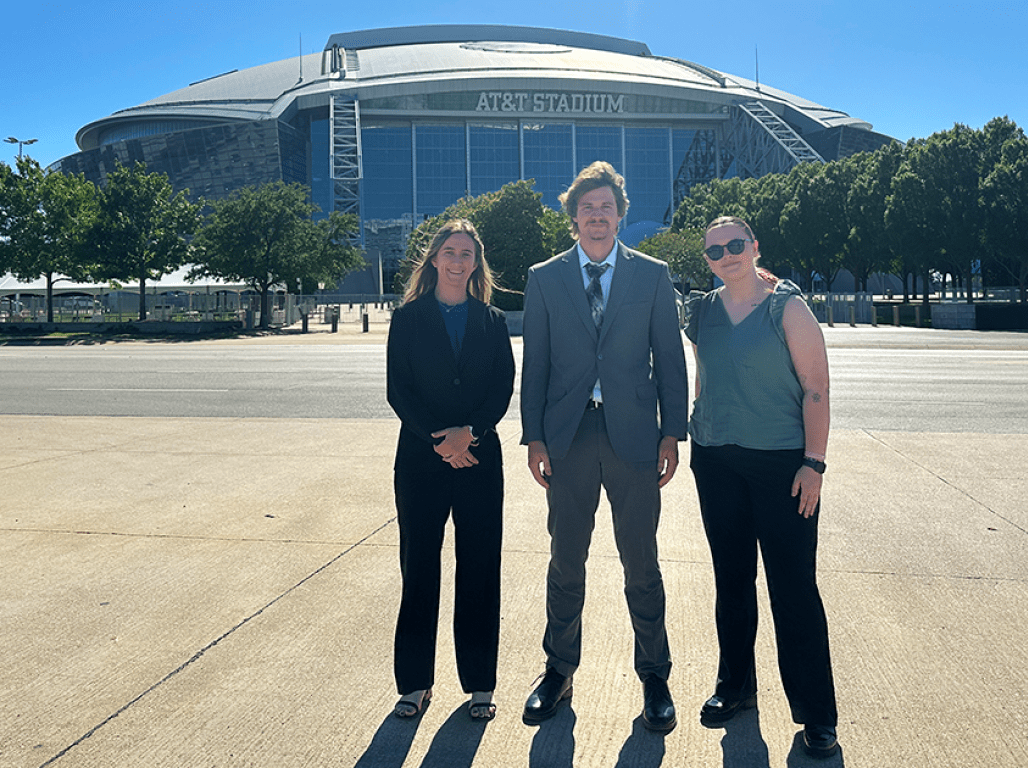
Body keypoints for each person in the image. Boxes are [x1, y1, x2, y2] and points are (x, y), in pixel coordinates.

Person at [519, 161, 689, 732]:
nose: (597, 217)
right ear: (574, 218)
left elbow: (669, 358)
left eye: (606, 208)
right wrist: (534, 434)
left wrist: (673, 432)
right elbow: (536, 363)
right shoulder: (544, 277)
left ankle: (656, 677)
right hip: (568, 437)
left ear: (620, 215)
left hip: (636, 437)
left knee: (641, 562)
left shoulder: (653, 275)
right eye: (586, 209)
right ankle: (559, 671)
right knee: (567, 561)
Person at [685, 216, 839, 758]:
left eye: (735, 245)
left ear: (753, 247)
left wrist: (813, 464)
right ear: (706, 259)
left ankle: (816, 714)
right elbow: (705, 370)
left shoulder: (787, 308)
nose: (726, 255)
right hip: (716, 460)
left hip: (782, 467)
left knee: (793, 588)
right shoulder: (702, 311)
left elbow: (816, 389)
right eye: (714, 251)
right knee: (732, 581)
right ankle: (736, 688)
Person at [386, 219, 515, 722]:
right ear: (434, 259)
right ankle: (415, 683)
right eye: (450, 252)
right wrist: (441, 441)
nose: (458, 261)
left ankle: (480, 683)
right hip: (421, 460)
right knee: (419, 568)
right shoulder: (408, 319)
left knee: (480, 569)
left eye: (467, 254)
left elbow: (502, 388)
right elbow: (400, 391)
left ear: (476, 263)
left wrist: (470, 434)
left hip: (481, 460)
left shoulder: (492, 319)